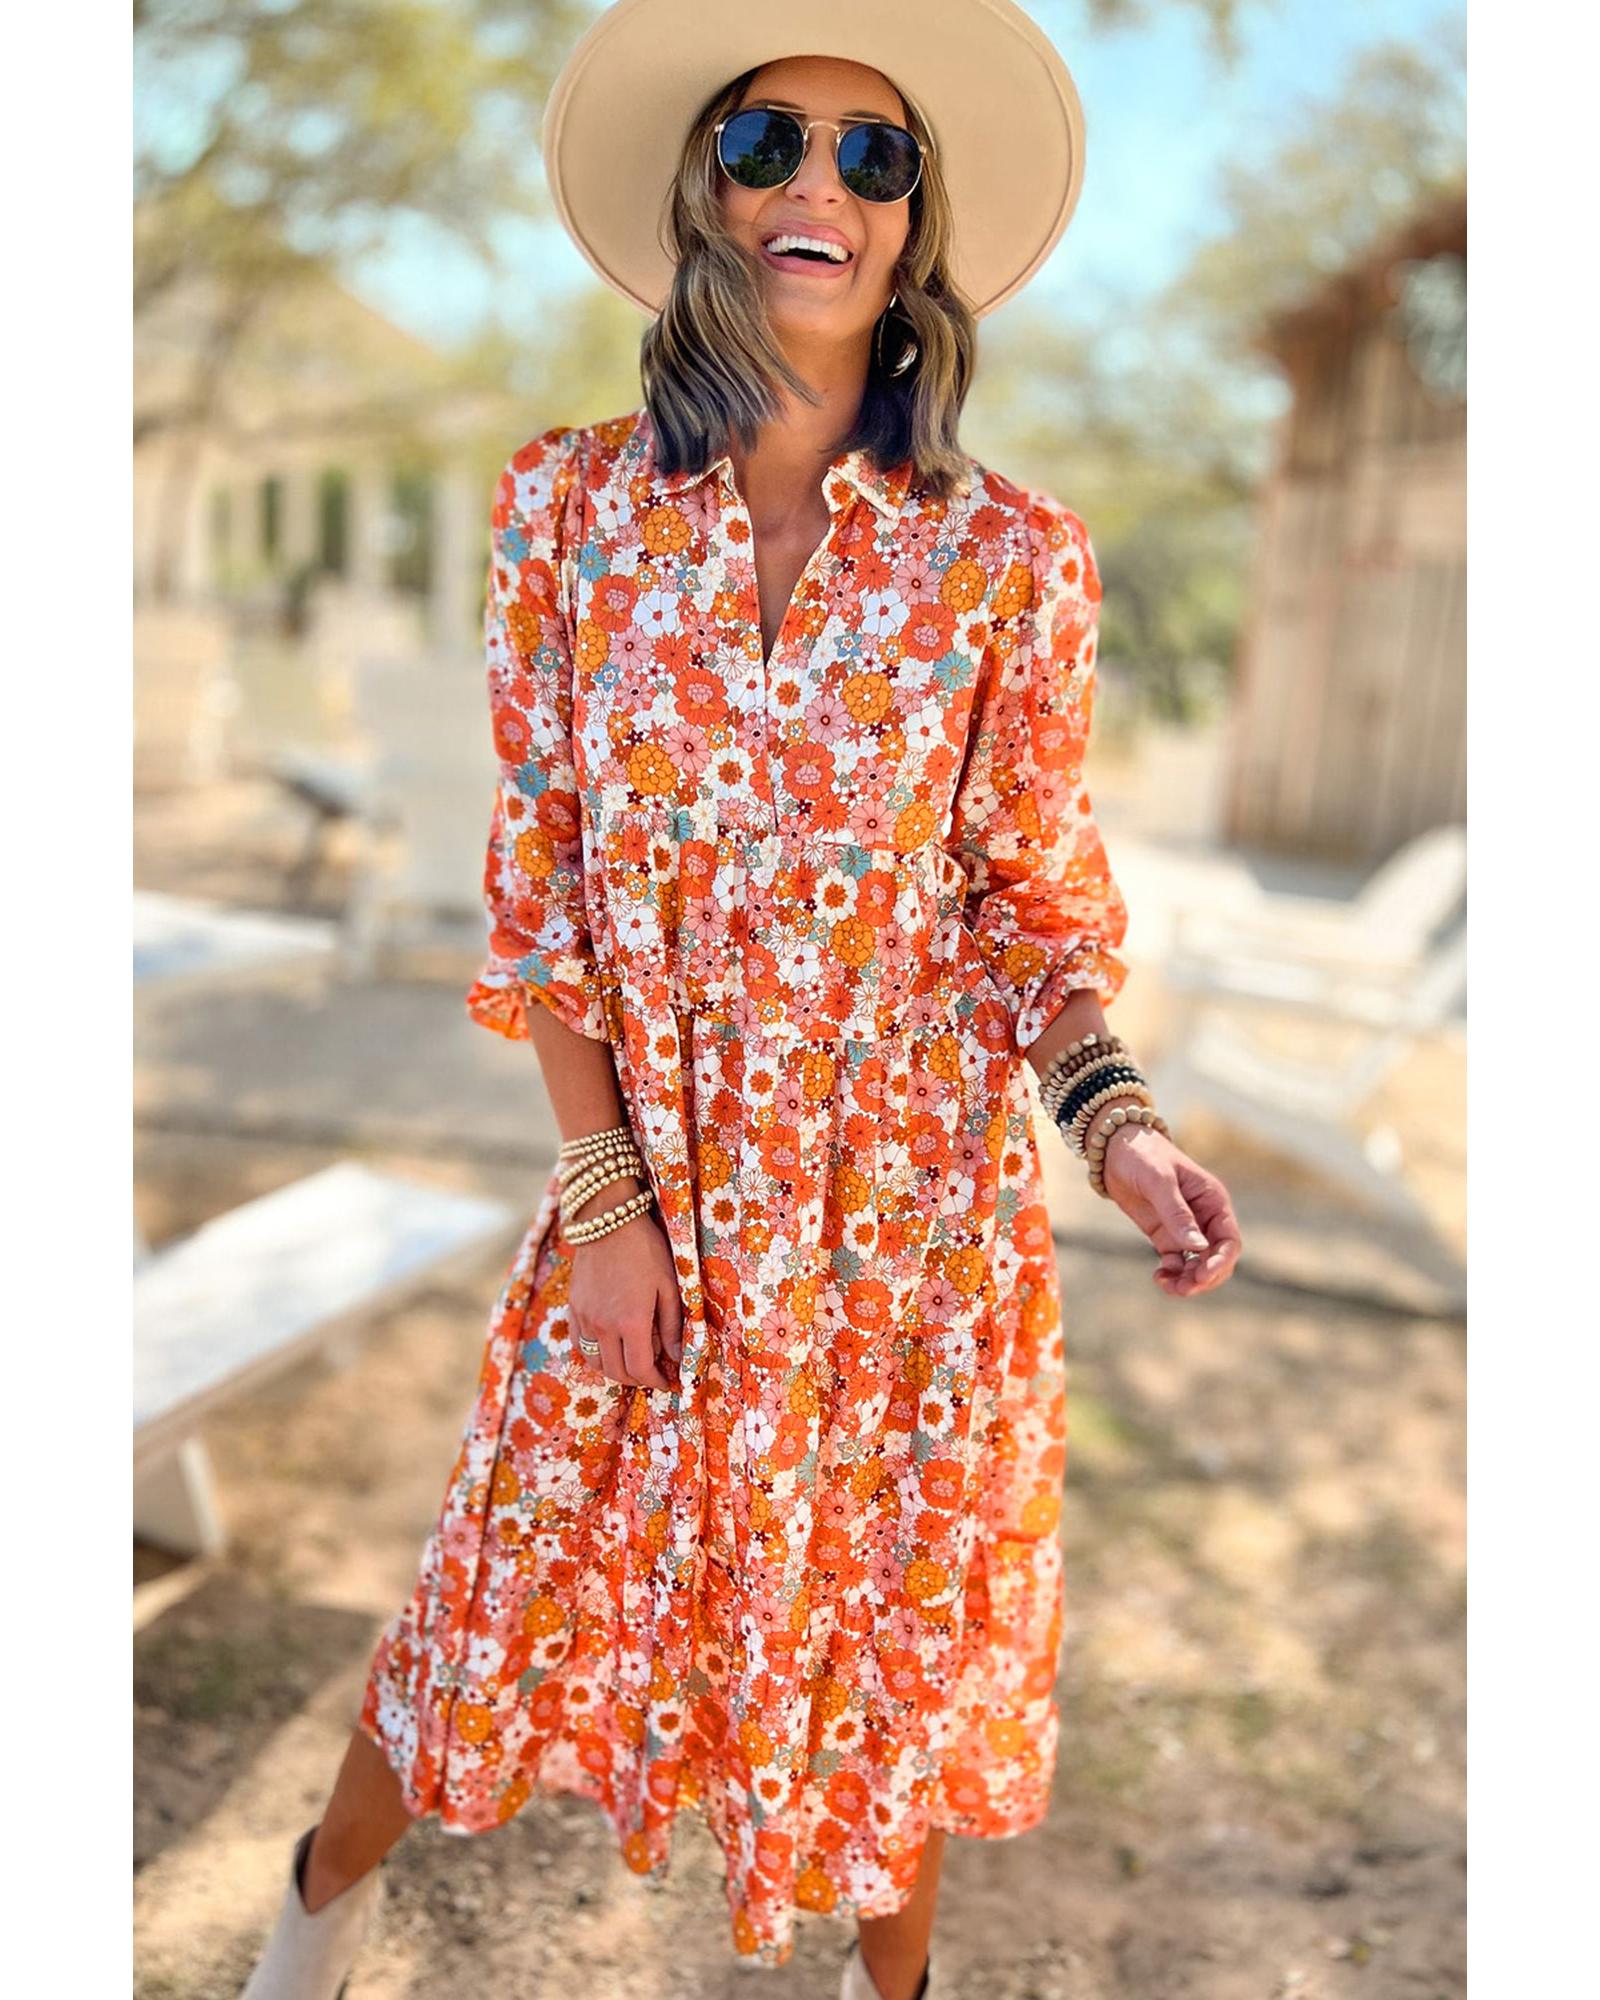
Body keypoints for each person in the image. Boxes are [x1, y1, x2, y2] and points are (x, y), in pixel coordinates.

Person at [238, 3, 1242, 1996]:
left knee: (875, 1674)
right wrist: (605, 1201)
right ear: (707, 189)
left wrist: (1120, 1127)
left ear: (912, 223)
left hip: (900, 1241)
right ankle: (300, 1933)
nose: (819, 186)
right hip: (651, 1200)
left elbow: (1026, 907)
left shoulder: (1011, 561)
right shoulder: (565, 510)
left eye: (874, 157)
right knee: (491, 1593)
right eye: (769, 140)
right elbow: (541, 891)